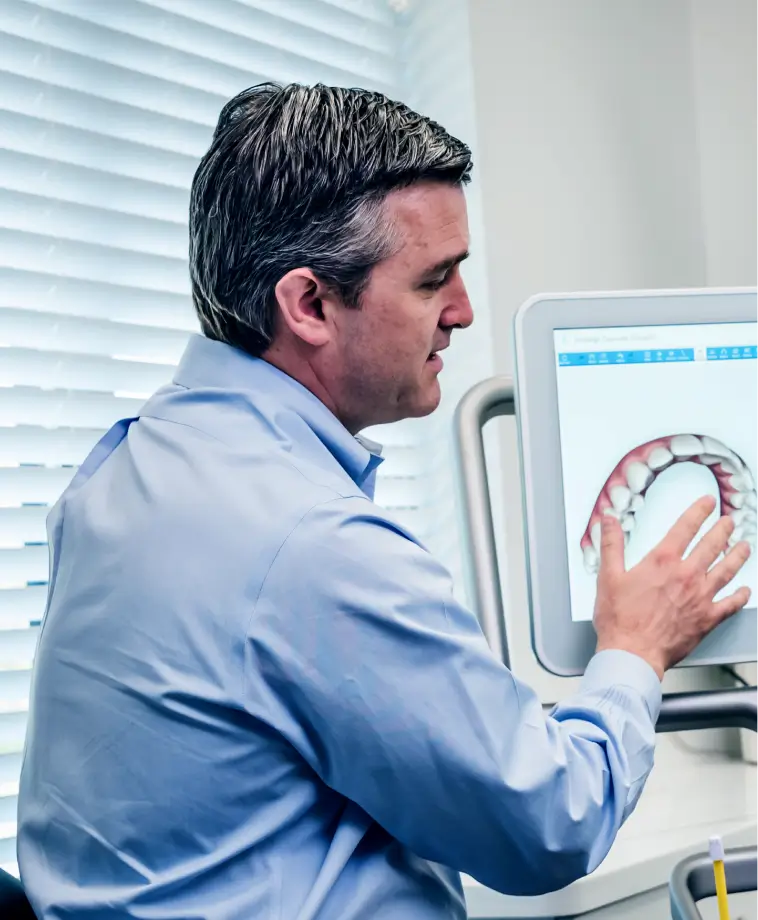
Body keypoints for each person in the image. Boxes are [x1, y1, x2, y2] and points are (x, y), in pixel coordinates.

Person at [17, 83, 751, 920]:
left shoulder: (123, 466)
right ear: (310, 304)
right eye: (435, 280)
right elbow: (549, 823)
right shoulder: (312, 543)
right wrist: (635, 649)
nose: (465, 313)